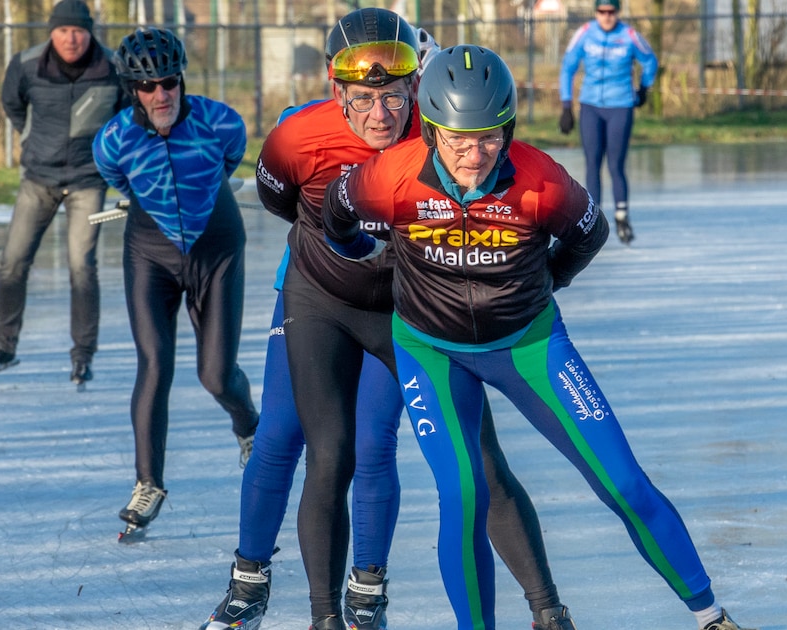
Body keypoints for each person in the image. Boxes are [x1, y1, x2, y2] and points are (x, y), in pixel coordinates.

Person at [322, 45, 754, 630]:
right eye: (457, 139)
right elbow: (336, 213)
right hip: (431, 350)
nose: (474, 155)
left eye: (490, 138)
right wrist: (371, 261)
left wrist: (552, 278)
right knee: (466, 495)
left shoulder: (540, 179)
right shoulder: (389, 176)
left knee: (621, 482)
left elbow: (590, 233)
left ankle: (709, 614)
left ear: (509, 128)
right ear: (429, 131)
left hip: (529, 344)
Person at [203, 11, 573, 630]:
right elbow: (280, 201)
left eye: (399, 95)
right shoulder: (302, 133)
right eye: (366, 97)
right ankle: (249, 579)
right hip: (315, 298)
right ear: (339, 89)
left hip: (404, 313)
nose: (383, 113)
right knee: (282, 438)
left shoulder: (441, 141)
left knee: (387, 447)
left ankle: (377, 592)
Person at [92, 27, 260, 537]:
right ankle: (149, 483)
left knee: (215, 375)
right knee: (155, 363)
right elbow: (119, 180)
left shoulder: (220, 122)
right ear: (131, 90)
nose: (160, 94)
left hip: (217, 251)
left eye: (169, 81)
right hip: (151, 253)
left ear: (181, 79)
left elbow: (231, 160)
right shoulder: (114, 141)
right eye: (147, 86)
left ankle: (249, 425)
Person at [0, 0, 127, 389]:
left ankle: (83, 355)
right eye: (64, 30)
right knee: (12, 262)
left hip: (88, 180)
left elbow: (126, 120)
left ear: (90, 33)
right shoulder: (26, 64)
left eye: (79, 31)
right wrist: (35, 141)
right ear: (52, 32)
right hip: (39, 179)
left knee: (82, 266)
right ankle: (3, 345)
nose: (72, 38)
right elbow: (13, 105)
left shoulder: (113, 68)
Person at [558, 0, 657, 245]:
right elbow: (568, 67)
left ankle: (622, 216)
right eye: (602, 12)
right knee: (592, 163)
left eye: (611, 12)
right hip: (591, 105)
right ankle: (594, 220)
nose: (606, 16)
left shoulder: (629, 35)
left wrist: (644, 88)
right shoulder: (584, 33)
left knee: (615, 164)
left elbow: (650, 61)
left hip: (620, 105)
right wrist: (566, 106)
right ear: (596, 13)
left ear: (617, 13)